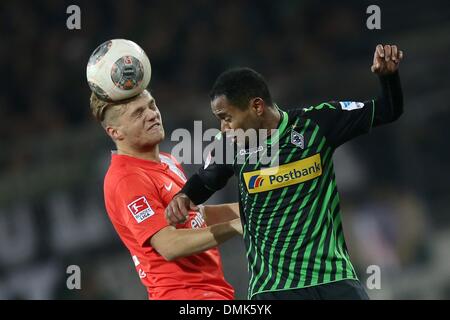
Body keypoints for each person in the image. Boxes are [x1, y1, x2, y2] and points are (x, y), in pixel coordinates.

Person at [165, 44, 404, 300]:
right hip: (274, 289)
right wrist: (183, 198)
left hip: (334, 279)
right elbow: (204, 181)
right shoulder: (229, 147)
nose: (223, 128)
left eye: (226, 118)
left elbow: (388, 110)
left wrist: (388, 77)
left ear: (257, 107)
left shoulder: (316, 124)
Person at [90, 89, 242, 300]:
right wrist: (235, 225)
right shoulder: (127, 179)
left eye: (152, 105)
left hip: (211, 293)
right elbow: (169, 245)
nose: (152, 114)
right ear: (115, 132)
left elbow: (195, 217)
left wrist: (249, 209)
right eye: (138, 113)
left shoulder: (167, 160)